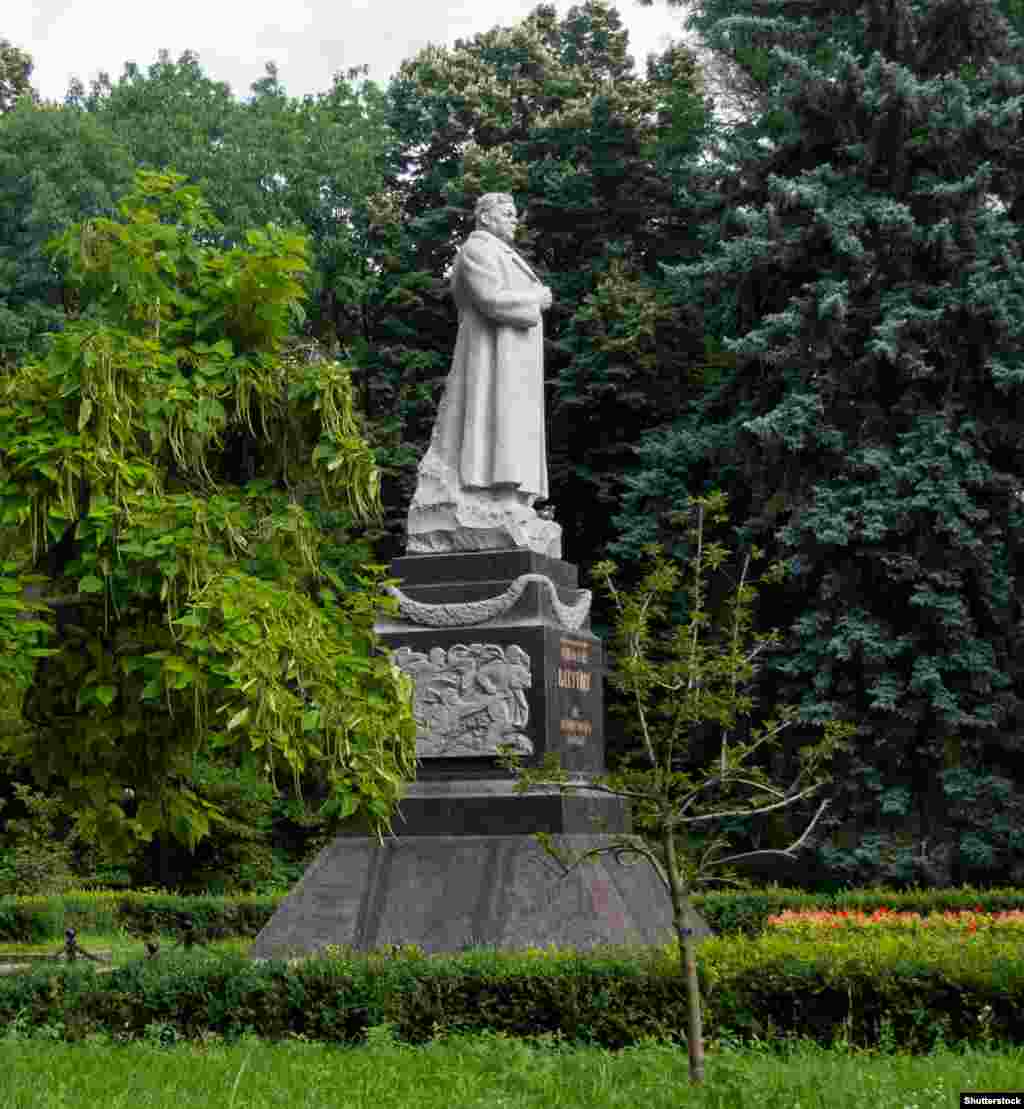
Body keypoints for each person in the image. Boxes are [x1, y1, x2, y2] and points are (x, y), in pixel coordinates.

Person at [407, 194, 557, 551]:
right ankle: (494, 493)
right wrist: (536, 301)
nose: (514, 220)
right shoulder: (478, 249)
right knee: (495, 420)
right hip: (492, 358)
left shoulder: (502, 253)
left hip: (511, 360)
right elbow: (491, 299)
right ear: (486, 218)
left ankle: (511, 498)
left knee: (510, 423)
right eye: (507, 214)